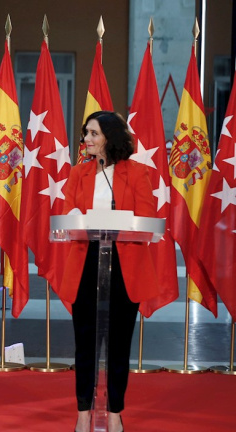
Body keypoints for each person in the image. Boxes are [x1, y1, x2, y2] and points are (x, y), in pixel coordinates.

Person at [59, 111, 160, 432]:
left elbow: (147, 219)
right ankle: (83, 412)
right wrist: (77, 217)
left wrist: (117, 222)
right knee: (84, 344)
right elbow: (67, 215)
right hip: (86, 263)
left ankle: (115, 412)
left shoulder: (138, 173)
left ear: (110, 137)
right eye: (85, 133)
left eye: (93, 133)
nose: (86, 139)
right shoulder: (78, 173)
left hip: (124, 265)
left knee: (118, 345)